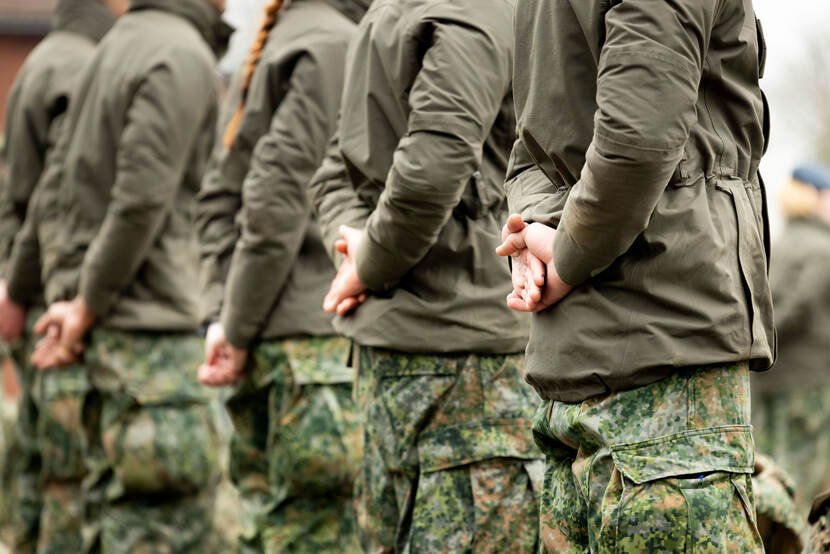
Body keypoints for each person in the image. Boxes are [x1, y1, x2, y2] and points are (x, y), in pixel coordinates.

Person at [497, 0, 774, 550]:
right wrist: (568, 252)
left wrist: (540, 232)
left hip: (578, 369)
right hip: (670, 356)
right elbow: (637, 139)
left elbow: (529, 150)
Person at [309, 0, 543, 551]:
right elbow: (429, 170)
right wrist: (365, 260)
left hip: (397, 356)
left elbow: (331, 173)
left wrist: (359, 254)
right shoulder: (472, 8)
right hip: (463, 367)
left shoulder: (387, 12)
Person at [3, 0, 232, 551]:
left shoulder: (110, 49)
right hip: (148, 341)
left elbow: (51, 190)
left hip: (105, 334)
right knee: (160, 526)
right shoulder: (178, 54)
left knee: (96, 511)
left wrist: (29, 287)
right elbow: (140, 200)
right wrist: (84, 303)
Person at [194, 0, 369, 551]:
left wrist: (225, 316)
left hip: (276, 338)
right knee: (314, 534)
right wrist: (235, 327)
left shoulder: (279, 40)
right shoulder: (331, 42)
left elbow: (223, 199)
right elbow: (278, 200)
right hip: (310, 345)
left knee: (271, 528)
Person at [0, 1, 122, 551]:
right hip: (56, 302)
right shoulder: (81, 66)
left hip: (36, 298)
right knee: (68, 484)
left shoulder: (50, 57)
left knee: (39, 471)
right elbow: (54, 196)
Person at [751, 163, 830, 515]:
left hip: (769, 378)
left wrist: (760, 345)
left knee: (769, 472)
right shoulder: (823, 249)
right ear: (816, 199)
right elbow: (799, 308)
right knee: (802, 477)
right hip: (810, 385)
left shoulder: (776, 243)